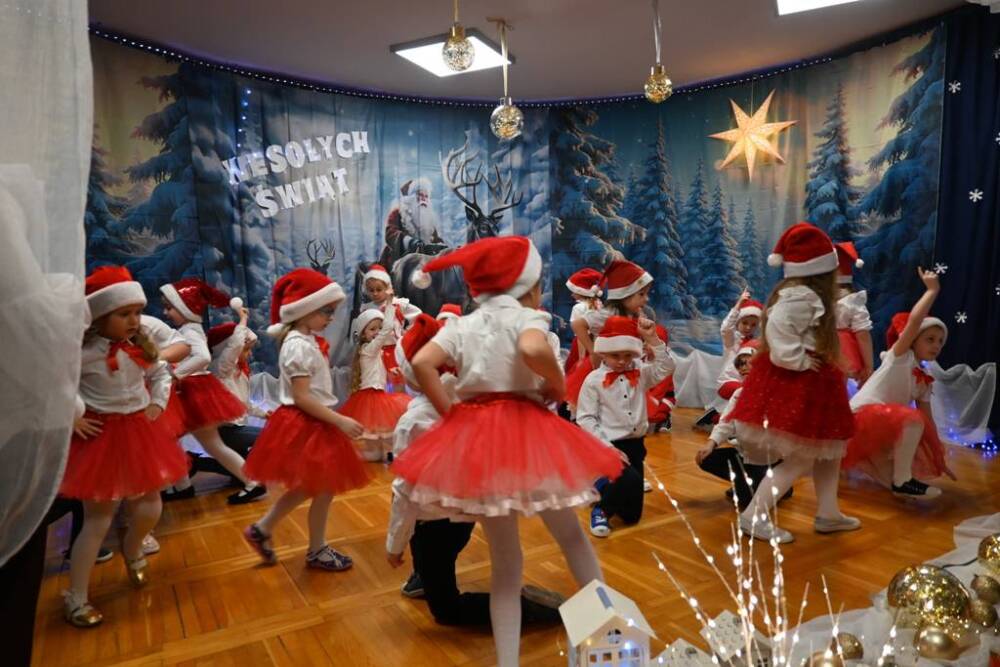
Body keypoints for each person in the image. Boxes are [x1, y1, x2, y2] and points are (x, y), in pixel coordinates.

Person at [391, 236, 625, 667]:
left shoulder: (462, 325)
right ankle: (605, 635)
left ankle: (507, 661)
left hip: (480, 440)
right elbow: (532, 348)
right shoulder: (527, 317)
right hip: (526, 430)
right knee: (572, 537)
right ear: (528, 285)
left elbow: (422, 363)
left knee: (505, 563)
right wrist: (557, 383)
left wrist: (450, 415)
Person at [386, 315, 564, 626]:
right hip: (465, 515)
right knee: (441, 555)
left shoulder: (413, 423)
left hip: (433, 523)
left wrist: (394, 543)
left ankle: (526, 609)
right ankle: (425, 577)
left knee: (445, 610)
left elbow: (405, 492)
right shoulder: (472, 402)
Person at [59, 266, 188, 627]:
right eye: (124, 314)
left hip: (138, 431)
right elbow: (59, 385)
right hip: (100, 435)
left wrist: (158, 402)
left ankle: (132, 548)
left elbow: (160, 373)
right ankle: (76, 596)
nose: (134, 320)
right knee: (98, 520)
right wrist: (75, 416)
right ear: (100, 316)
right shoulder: (83, 353)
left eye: (137, 312)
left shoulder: (139, 347)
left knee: (150, 506)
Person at [727, 222, 858, 544]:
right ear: (821, 269)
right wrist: (797, 359)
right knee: (802, 456)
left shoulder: (807, 295)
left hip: (815, 381)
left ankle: (828, 512)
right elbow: (779, 328)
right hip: (799, 382)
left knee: (829, 450)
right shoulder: (801, 297)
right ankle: (754, 515)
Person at [243, 269, 372, 570]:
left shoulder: (306, 340)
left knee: (312, 486)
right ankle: (316, 549)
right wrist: (340, 421)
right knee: (321, 488)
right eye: (326, 311)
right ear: (304, 311)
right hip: (306, 422)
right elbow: (302, 397)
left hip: (312, 420)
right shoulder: (298, 345)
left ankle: (263, 529)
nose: (331, 318)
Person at [842, 268, 955, 498]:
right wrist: (932, 291)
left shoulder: (924, 380)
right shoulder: (900, 357)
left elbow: (929, 422)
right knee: (912, 419)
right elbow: (914, 321)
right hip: (857, 421)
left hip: (880, 428)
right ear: (912, 340)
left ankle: (892, 479)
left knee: (892, 484)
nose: (936, 345)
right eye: (930, 339)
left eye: (941, 342)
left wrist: (939, 457)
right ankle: (902, 479)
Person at [576, 316, 674, 537]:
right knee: (630, 479)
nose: (622, 361)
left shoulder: (641, 372)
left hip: (636, 444)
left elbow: (667, 367)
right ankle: (601, 510)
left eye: (627, 355)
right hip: (608, 445)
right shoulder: (593, 380)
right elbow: (586, 418)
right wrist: (608, 448)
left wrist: (653, 339)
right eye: (615, 356)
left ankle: (602, 485)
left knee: (631, 517)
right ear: (603, 353)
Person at [158, 279, 251, 500]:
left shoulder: (189, 331)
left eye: (170, 307)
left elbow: (203, 357)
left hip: (193, 393)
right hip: (194, 391)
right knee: (203, 444)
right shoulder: (190, 329)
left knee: (171, 439)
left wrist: (176, 374)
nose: (165, 312)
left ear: (186, 308)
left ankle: (184, 486)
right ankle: (184, 486)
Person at [696, 341, 790, 510]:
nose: (743, 367)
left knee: (747, 503)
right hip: (743, 456)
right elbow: (727, 422)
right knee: (706, 458)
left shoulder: (776, 393)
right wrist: (711, 443)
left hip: (767, 460)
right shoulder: (739, 394)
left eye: (749, 362)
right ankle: (745, 482)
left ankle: (776, 482)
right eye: (740, 364)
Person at [203, 298, 269, 504]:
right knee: (268, 437)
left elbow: (243, 404)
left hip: (236, 428)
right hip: (226, 430)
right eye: (246, 349)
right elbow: (234, 346)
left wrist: (264, 413)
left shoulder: (239, 374)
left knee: (241, 471)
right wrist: (242, 319)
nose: (249, 354)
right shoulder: (220, 368)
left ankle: (197, 463)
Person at [565, 259, 654, 412]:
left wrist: (647, 345)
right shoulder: (608, 313)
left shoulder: (635, 314)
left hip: (627, 366)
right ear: (625, 295)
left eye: (646, 294)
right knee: (601, 402)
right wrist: (592, 350)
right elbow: (578, 324)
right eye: (641, 294)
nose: (646, 299)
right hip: (606, 366)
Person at [339, 307, 411, 462]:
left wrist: (391, 375)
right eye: (372, 329)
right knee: (377, 433)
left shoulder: (374, 351)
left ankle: (381, 455)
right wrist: (390, 306)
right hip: (371, 396)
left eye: (379, 328)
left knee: (381, 434)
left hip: (378, 393)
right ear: (363, 334)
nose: (378, 332)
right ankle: (373, 455)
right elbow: (387, 330)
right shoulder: (368, 349)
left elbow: (377, 374)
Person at [694, 291, 762, 432]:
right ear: (738, 322)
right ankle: (730, 427)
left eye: (753, 325)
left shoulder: (756, 345)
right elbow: (726, 328)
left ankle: (715, 417)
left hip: (744, 384)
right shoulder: (732, 341)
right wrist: (738, 306)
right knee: (746, 395)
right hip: (727, 382)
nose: (748, 327)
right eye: (745, 323)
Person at [360, 263, 421, 389]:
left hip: (395, 351)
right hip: (376, 354)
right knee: (379, 384)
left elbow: (418, 317)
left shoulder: (398, 304)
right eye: (371, 290)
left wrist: (407, 334)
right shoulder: (366, 309)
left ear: (387, 287)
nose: (375, 293)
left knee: (398, 383)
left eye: (379, 289)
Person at [377, 177, 446, 270]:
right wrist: (409, 242)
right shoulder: (399, 213)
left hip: (421, 262)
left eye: (426, 196)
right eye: (420, 195)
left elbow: (435, 239)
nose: (423, 199)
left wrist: (441, 247)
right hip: (397, 261)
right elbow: (390, 234)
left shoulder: (429, 220)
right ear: (411, 198)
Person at [834, 242, 874, 385]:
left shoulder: (815, 300)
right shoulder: (852, 301)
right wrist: (869, 366)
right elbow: (862, 333)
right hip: (843, 351)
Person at [562, 268, 604, 374]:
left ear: (581, 292)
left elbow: (580, 335)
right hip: (597, 343)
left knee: (578, 372)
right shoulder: (599, 304)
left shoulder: (578, 308)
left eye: (574, 291)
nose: (571, 295)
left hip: (583, 346)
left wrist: (581, 358)